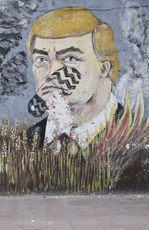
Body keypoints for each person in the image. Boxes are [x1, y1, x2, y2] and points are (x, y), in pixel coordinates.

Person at [26, 7, 123, 150]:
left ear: (103, 68)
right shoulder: (27, 141)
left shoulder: (139, 135)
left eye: (70, 58)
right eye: (41, 59)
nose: (51, 72)